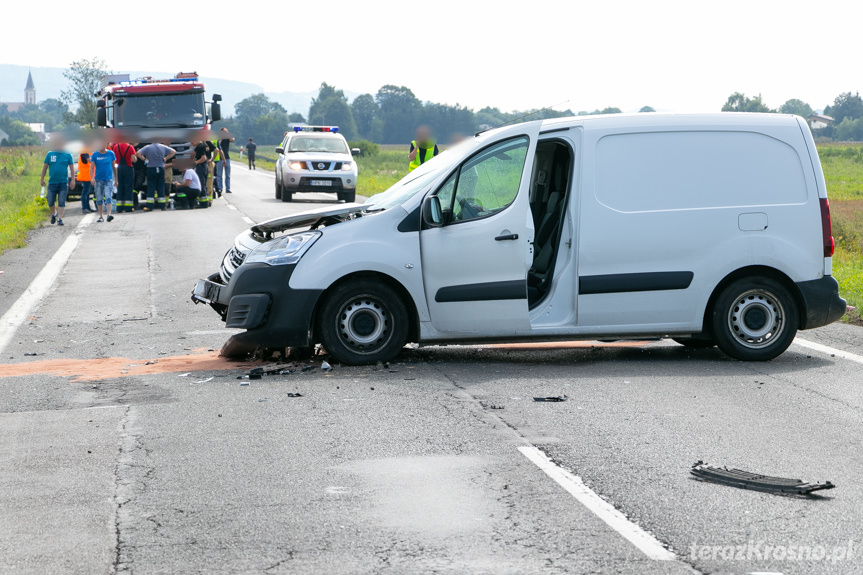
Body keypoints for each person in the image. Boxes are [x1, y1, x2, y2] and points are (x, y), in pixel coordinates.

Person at [40, 137, 76, 226]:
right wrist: (42, 178)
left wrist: (72, 180)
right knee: (50, 200)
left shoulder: (67, 154)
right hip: (52, 182)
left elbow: (72, 168)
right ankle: (54, 214)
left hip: (63, 182)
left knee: (62, 201)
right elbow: (45, 167)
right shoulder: (50, 154)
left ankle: (59, 218)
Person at [136, 142, 175, 211]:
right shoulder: (163, 147)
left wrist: (144, 160)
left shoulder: (148, 147)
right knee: (161, 186)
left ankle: (150, 206)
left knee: (151, 186)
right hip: (161, 168)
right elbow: (173, 151)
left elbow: (138, 153)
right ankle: (163, 206)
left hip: (151, 168)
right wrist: (165, 158)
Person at [90, 143, 117, 222]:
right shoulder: (95, 155)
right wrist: (92, 178)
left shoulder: (110, 153)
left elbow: (114, 167)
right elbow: (91, 167)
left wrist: (116, 179)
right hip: (98, 180)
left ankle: (109, 215)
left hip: (108, 179)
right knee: (99, 198)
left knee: (108, 196)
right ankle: (101, 216)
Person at [111, 141, 137, 213]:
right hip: (128, 168)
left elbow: (114, 159)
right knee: (128, 187)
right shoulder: (130, 147)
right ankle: (128, 207)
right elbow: (134, 159)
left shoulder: (116, 147)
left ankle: (119, 207)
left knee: (119, 187)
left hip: (119, 168)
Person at [193, 139, 212, 207]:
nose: (191, 143)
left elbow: (203, 158)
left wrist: (196, 162)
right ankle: (205, 201)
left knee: (201, 184)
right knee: (204, 184)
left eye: (192, 141)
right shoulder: (204, 145)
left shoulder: (200, 147)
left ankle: (203, 203)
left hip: (201, 166)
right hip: (205, 166)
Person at [76, 147, 94, 213]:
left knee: (87, 192)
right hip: (85, 175)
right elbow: (90, 160)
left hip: (88, 175)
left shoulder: (87, 152)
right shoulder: (85, 152)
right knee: (85, 192)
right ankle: (85, 208)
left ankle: (88, 208)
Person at [218, 127, 235, 193]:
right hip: (219, 158)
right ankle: (220, 188)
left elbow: (232, 139)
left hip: (227, 157)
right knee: (219, 175)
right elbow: (218, 144)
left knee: (227, 175)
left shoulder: (227, 139)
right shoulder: (219, 138)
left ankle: (228, 188)